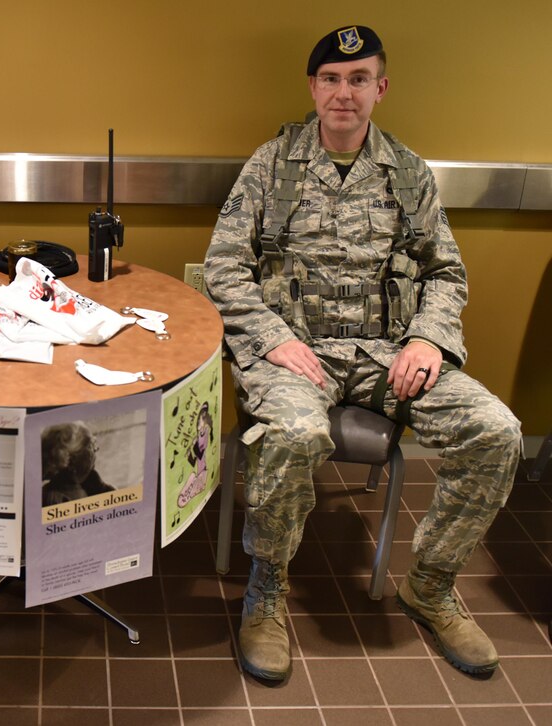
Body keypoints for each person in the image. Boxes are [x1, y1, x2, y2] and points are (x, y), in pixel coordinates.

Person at [204, 27, 521, 683]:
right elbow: (224, 269)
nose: (342, 93)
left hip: (388, 351)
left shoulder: (408, 173)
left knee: (497, 432)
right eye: (330, 79)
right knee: (292, 433)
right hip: (295, 351)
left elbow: (447, 274)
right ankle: (267, 592)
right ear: (314, 87)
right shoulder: (272, 164)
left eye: (357, 79)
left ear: (381, 88)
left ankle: (430, 586)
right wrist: (273, 339)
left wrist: (429, 337)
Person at [40, 422, 115, 506]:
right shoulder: (54, 500)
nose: (96, 449)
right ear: (71, 458)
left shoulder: (91, 484)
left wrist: (101, 487)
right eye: (91, 445)